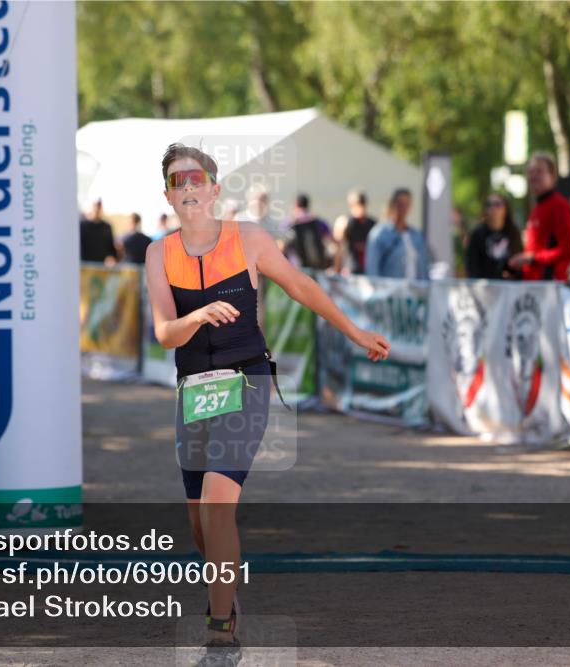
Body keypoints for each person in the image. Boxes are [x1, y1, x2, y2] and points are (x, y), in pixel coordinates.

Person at [145, 143, 390, 667]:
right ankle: (227, 599)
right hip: (194, 390)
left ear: (215, 189)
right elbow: (166, 331)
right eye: (176, 181)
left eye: (196, 179)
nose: (187, 187)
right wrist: (196, 317)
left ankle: (219, 637)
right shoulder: (157, 253)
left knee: (217, 505)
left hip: (248, 383)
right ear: (166, 194)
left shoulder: (249, 240)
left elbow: (302, 285)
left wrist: (354, 331)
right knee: (200, 528)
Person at [507, 152, 570, 280]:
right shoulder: (537, 207)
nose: (533, 176)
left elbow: (569, 251)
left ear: (552, 176)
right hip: (534, 286)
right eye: (530, 172)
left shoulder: (558, 205)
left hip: (551, 286)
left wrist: (532, 258)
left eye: (539, 171)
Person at [364, 188, 430, 279]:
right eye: (400, 204)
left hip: (414, 291)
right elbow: (372, 270)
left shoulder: (416, 235)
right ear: (393, 205)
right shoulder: (379, 234)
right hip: (390, 291)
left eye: (406, 204)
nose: (403, 208)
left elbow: (424, 268)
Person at [465, 193, 523, 279]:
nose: (493, 208)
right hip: (485, 286)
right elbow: (471, 265)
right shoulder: (477, 234)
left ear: (506, 209)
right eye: (489, 204)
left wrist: (510, 272)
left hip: (509, 286)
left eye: (498, 204)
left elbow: (518, 261)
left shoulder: (513, 232)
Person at [283, 194, 335, 270]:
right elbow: (332, 241)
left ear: (295, 205)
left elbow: (281, 245)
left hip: (296, 267)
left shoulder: (289, 222)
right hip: (318, 266)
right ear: (308, 205)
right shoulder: (318, 221)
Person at [334, 189, 376, 274]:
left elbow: (338, 249)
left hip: (356, 268)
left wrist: (336, 269)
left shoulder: (343, 222)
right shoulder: (373, 223)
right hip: (356, 268)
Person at [79, 198, 118, 265]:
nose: (97, 208)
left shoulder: (106, 227)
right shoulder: (83, 226)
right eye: (95, 206)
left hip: (101, 267)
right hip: (86, 267)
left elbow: (111, 248)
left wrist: (111, 257)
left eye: (99, 206)